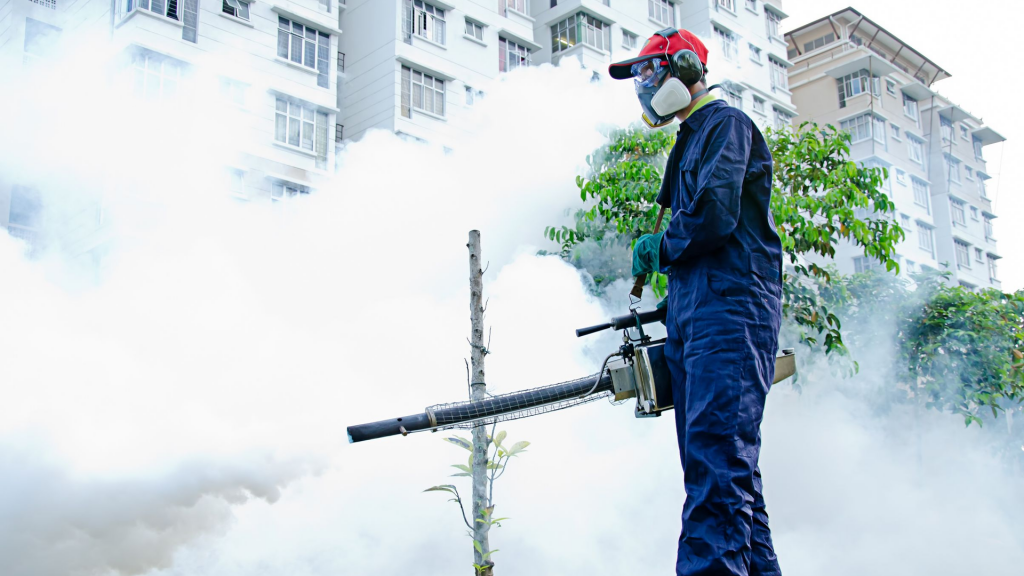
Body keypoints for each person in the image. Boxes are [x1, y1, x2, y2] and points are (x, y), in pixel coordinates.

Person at [608, 29, 784, 576]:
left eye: (648, 71)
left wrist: (660, 247)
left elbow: (714, 216)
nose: (641, 85)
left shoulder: (726, 125)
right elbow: (699, 245)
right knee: (729, 477)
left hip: (730, 314)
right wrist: (668, 297)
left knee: (716, 467)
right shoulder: (690, 137)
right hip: (700, 314)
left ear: (684, 67)